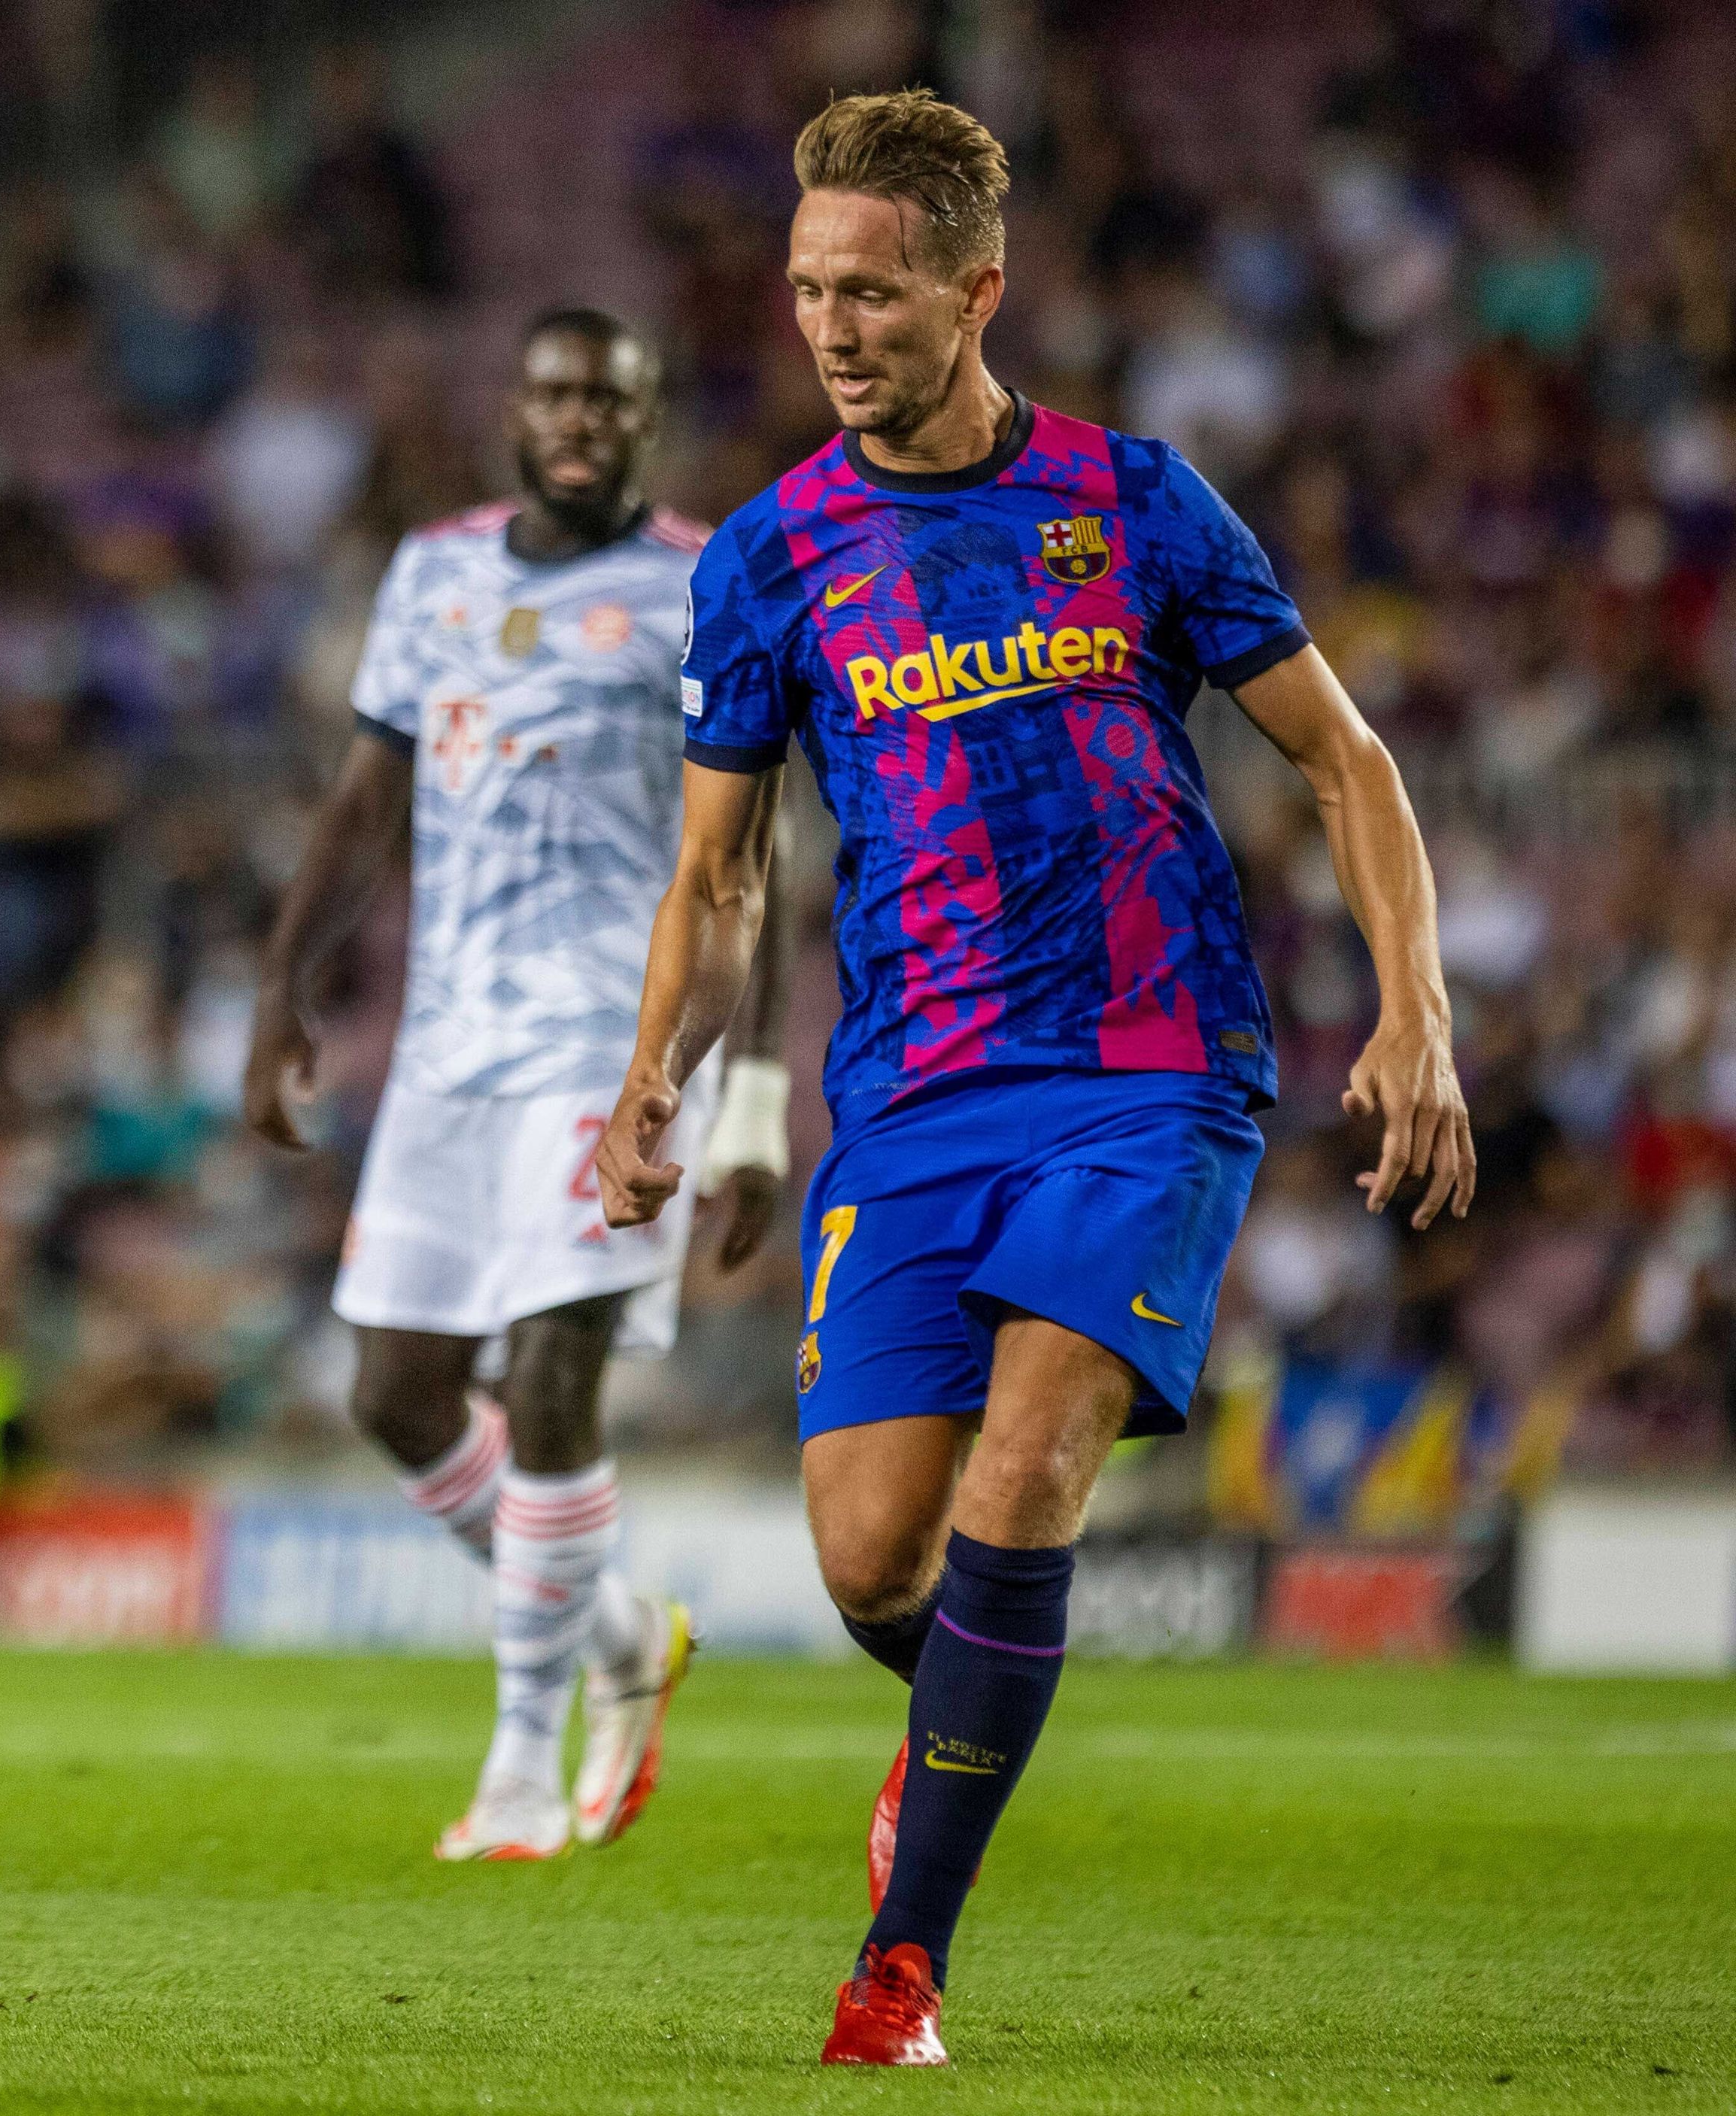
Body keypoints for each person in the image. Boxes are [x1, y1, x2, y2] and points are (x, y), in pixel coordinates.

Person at [594, 90, 1470, 2066]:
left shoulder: (1139, 502)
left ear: (979, 288)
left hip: (1148, 1068)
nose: (834, 326)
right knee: (869, 1556)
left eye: (877, 292)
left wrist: (1415, 1007)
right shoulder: (769, 554)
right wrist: (656, 1072)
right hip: (909, 1091)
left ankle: (897, 1966)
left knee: (1026, 1461)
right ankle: (959, 1724)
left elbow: (1350, 760)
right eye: (811, 289)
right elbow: (718, 874)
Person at [244, 311, 789, 1863]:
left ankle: (513, 1772)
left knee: (552, 1376)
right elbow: (364, 805)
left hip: (615, 1050)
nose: (577, 422)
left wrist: (742, 1103)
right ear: (514, 409)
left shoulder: (712, 580)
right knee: (394, 1392)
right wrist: (281, 986)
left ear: (648, 419)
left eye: (607, 401)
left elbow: (757, 856)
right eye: (553, 393)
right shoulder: (433, 573)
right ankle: (619, 1632)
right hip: (443, 1052)